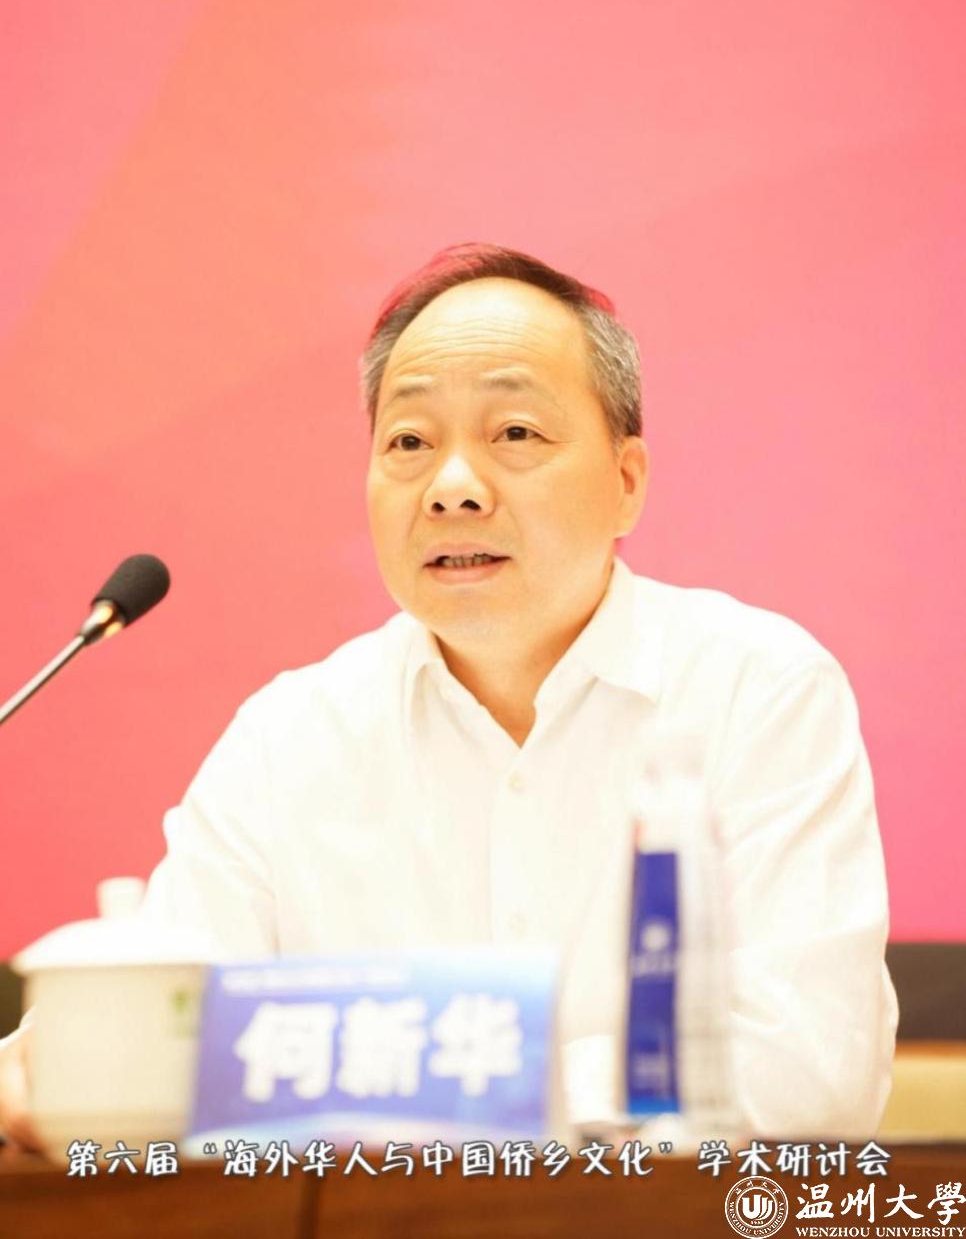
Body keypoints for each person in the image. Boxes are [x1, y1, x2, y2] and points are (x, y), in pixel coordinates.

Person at [0, 242, 897, 1149]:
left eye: (516, 434)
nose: (453, 487)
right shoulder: (288, 739)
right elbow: (138, 1050)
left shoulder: (756, 690)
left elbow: (808, 1071)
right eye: (409, 443)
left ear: (626, 483)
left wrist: (429, 1078)